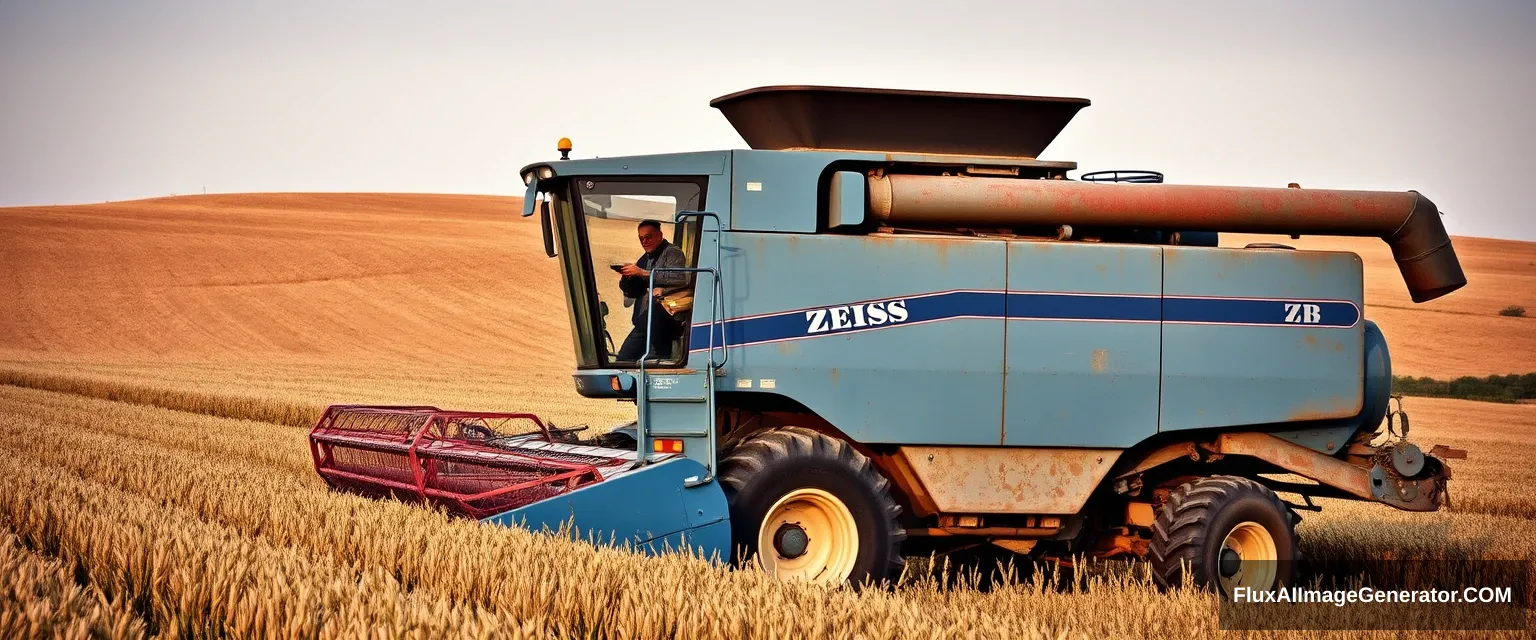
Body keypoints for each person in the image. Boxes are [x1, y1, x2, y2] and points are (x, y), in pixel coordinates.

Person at [615, 219, 689, 362]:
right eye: (641, 238)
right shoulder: (645, 258)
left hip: (664, 322)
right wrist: (627, 278)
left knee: (638, 361)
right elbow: (634, 292)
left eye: (648, 237)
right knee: (624, 360)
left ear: (660, 235)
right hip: (645, 323)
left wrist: (644, 273)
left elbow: (680, 279)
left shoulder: (673, 253)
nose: (644, 241)